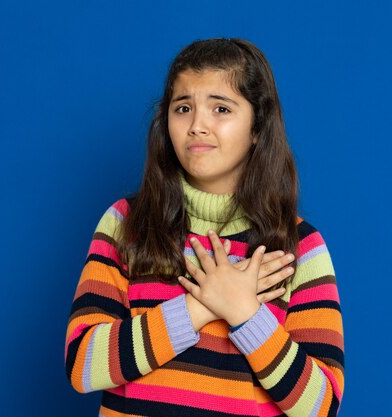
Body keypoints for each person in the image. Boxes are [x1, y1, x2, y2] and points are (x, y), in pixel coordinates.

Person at [64, 38, 344, 417]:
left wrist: (245, 312)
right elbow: (83, 366)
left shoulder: (300, 246)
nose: (197, 125)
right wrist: (199, 306)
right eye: (183, 108)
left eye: (221, 108)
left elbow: (320, 406)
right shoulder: (126, 223)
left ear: (257, 128)